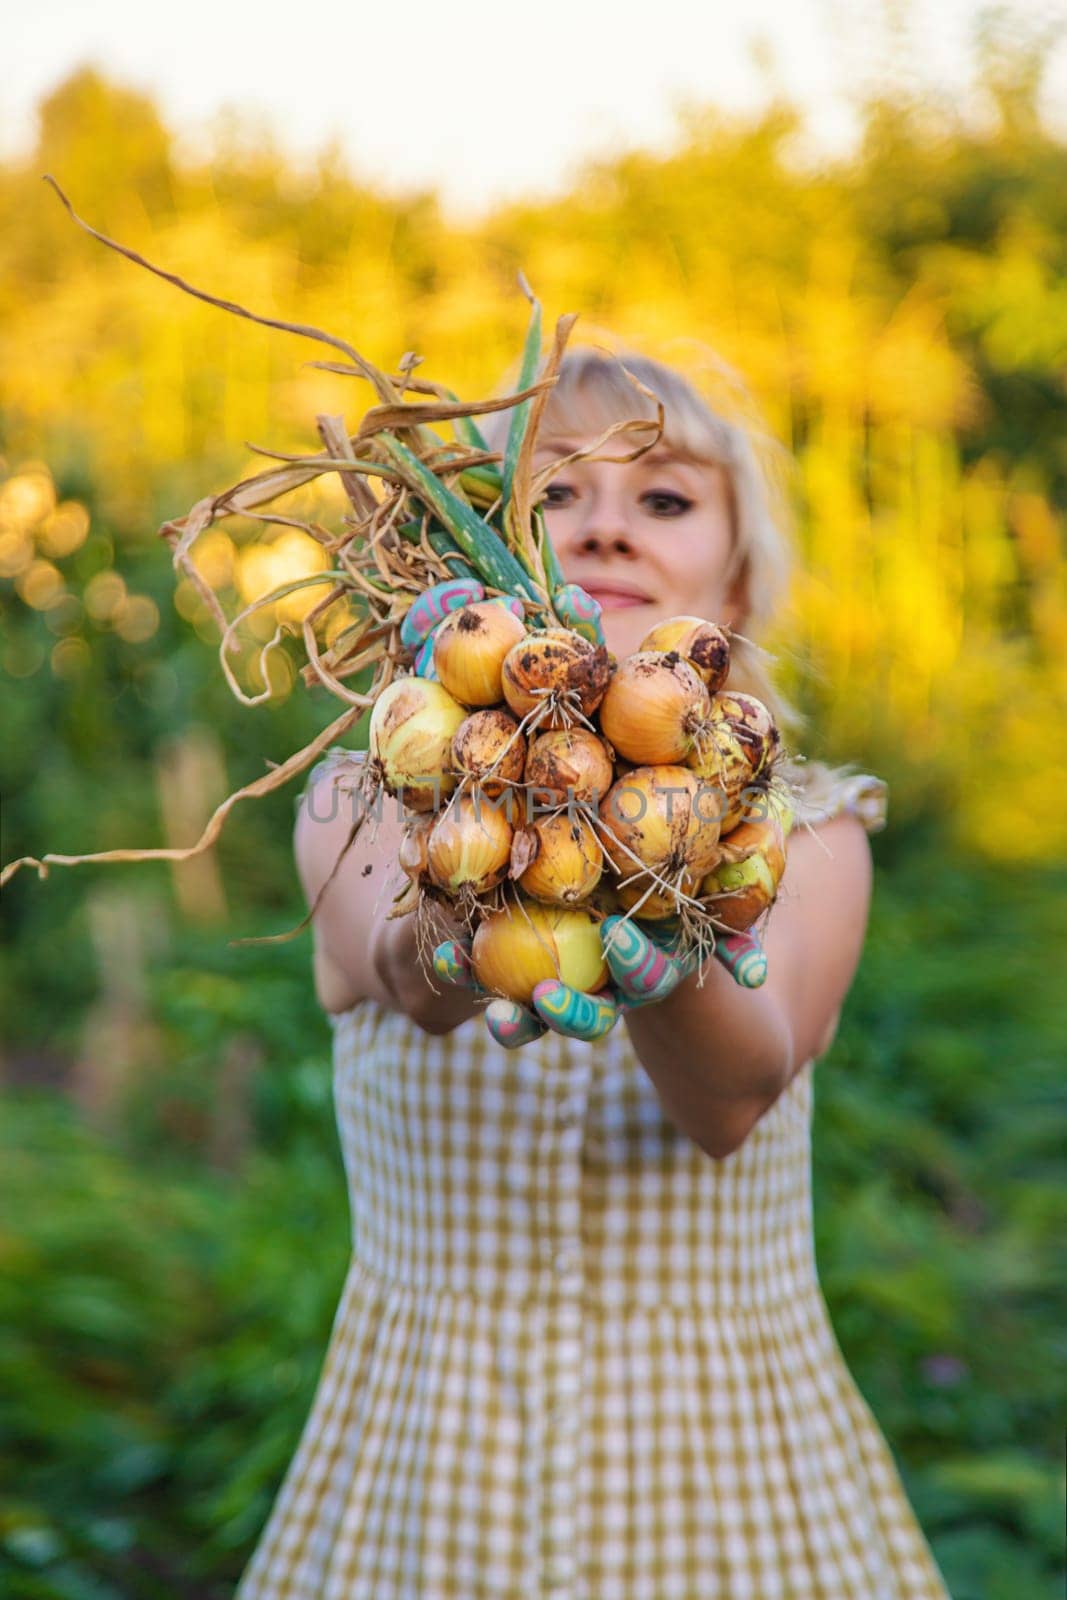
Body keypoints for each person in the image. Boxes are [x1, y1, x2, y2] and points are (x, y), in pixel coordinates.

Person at [235, 348, 952, 1598]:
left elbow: (731, 1102)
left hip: (721, 1454)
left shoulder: (808, 828)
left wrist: (661, 943)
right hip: (429, 1448)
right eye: (554, 495)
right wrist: (467, 898)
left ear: (732, 581)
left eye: (663, 500)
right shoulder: (362, 798)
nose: (605, 526)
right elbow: (409, 981)